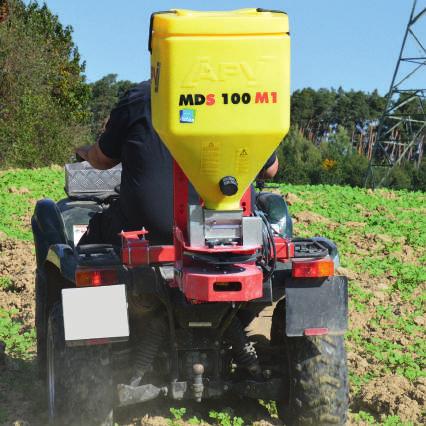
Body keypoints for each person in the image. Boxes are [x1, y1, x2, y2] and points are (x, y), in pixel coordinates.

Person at [76, 80, 278, 246]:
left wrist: (84, 151)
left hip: (147, 233)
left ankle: (93, 295)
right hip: (231, 234)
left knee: (88, 250)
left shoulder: (142, 97)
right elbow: (270, 169)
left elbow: (101, 160)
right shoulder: (240, 99)